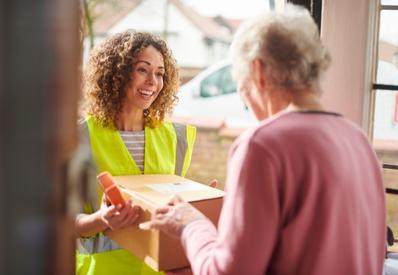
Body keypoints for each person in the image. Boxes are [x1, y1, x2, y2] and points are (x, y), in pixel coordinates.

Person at [140, 5, 386, 275]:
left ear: (258, 71)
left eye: (240, 84)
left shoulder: (263, 145)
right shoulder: (357, 139)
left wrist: (190, 223)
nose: (244, 97)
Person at [74, 31, 196, 275]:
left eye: (160, 73)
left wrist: (199, 203)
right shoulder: (80, 136)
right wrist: (101, 219)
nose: (153, 81)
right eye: (143, 69)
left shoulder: (176, 138)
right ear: (117, 74)